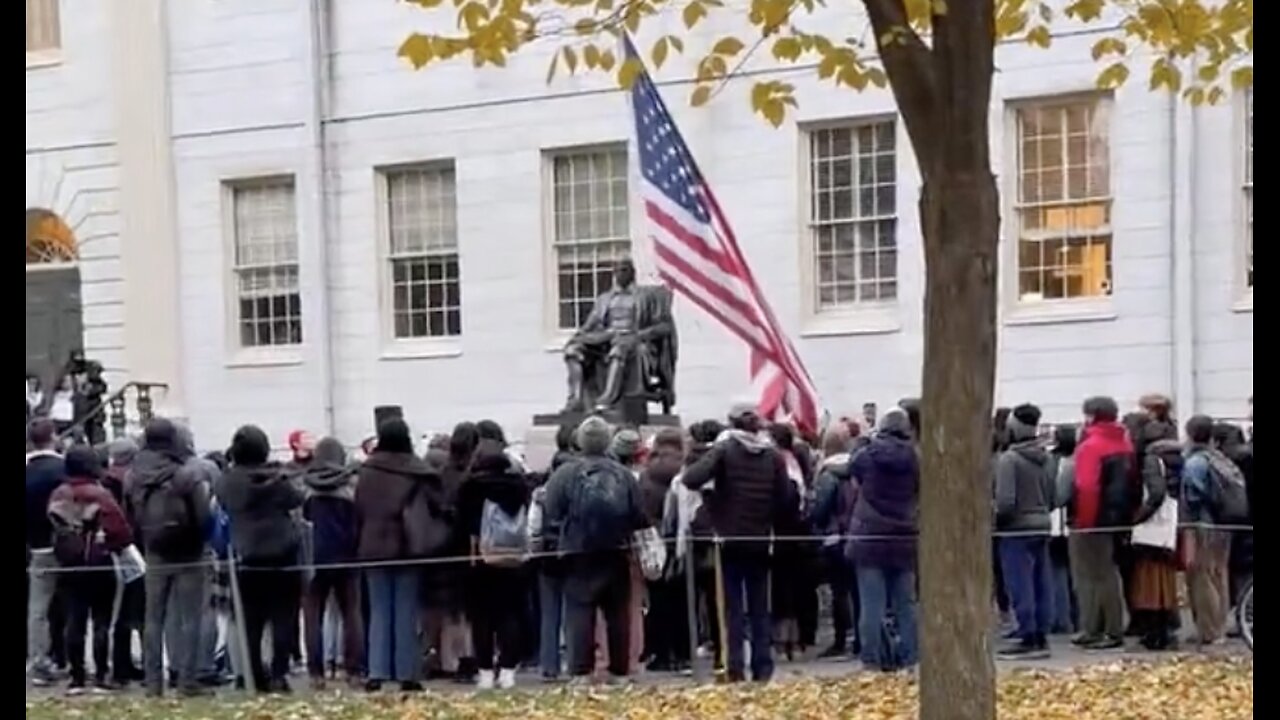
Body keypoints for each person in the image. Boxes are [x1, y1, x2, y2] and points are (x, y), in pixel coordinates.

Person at [682, 403, 792, 683]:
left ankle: (734, 668)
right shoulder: (773, 455)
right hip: (760, 538)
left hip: (728, 539)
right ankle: (762, 668)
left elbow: (691, 478)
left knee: (730, 608)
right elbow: (785, 499)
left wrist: (715, 500)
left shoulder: (724, 450)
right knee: (759, 607)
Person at [543, 416, 650, 683]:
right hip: (616, 550)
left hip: (577, 551)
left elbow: (552, 512)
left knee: (579, 612)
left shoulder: (565, 474)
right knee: (618, 615)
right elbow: (639, 516)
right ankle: (619, 670)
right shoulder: (623, 475)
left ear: (580, 442)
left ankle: (581, 670)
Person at [215, 425, 304, 694]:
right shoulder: (279, 479)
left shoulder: (228, 482)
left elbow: (222, 500)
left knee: (250, 621)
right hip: (283, 553)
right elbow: (296, 499)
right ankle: (279, 673)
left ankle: (254, 673)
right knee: (283, 618)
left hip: (247, 555)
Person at [126, 418, 212, 697]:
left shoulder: (133, 475)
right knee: (190, 618)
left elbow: (131, 516)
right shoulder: (186, 472)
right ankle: (187, 680)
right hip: (189, 551)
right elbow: (203, 516)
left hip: (154, 551)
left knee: (153, 618)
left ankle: (153, 683)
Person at [47, 445, 134, 693]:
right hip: (99, 562)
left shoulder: (59, 494)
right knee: (102, 621)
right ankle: (101, 674)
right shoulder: (101, 494)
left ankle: (76, 675)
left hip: (68, 564)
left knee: (74, 619)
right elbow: (121, 531)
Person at [354, 419, 429, 691]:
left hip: (372, 545)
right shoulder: (416, 469)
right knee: (406, 610)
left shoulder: (368, 471)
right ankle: (407, 673)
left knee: (379, 610)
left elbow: (359, 507)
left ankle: (377, 670)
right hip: (408, 544)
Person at [846, 408, 920, 672]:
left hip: (870, 536)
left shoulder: (867, 455)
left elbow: (850, 468)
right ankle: (912, 660)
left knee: (871, 606)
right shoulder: (916, 458)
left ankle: (871, 661)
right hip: (904, 535)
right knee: (906, 605)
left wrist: (865, 438)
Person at [457, 428, 532, 689]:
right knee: (510, 614)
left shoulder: (469, 487)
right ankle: (509, 670)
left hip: (478, 559)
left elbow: (461, 525)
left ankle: (486, 671)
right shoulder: (519, 486)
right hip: (513, 557)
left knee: (481, 618)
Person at [1068, 396, 1132, 651]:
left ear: (1092, 415)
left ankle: (1097, 628)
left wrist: (1083, 521)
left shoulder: (1090, 446)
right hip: (1117, 518)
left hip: (1092, 520)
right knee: (1108, 573)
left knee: (1089, 576)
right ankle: (1109, 627)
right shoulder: (1124, 443)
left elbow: (1087, 487)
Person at [300, 437, 364, 689]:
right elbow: (358, 521)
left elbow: (302, 520)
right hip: (347, 556)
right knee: (351, 614)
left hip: (314, 558)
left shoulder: (306, 486)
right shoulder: (351, 486)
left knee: (313, 615)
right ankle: (354, 670)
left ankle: (316, 672)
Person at [993, 404, 1055, 659]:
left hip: (1015, 529)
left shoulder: (1010, 459)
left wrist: (992, 514)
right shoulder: (1046, 457)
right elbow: (1054, 495)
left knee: (1020, 584)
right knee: (1041, 582)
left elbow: (1006, 502)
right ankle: (1040, 633)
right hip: (1042, 524)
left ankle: (1027, 635)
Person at [1125, 412, 1182, 651]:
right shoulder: (1176, 456)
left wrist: (1137, 517)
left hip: (1153, 525)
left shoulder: (1151, 458)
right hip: (1170, 522)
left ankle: (1154, 632)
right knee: (1164, 578)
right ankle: (1166, 627)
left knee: (1148, 577)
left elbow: (1155, 494)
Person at [809, 423, 860, 659]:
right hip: (857, 532)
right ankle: (860, 638)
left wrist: (815, 525)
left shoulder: (828, 473)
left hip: (833, 537)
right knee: (858, 590)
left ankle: (841, 639)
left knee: (839, 590)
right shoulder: (858, 468)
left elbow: (820, 509)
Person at [1182, 414, 1234, 646]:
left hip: (1202, 524)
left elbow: (1193, 496)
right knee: (1219, 575)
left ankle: (1208, 630)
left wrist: (1189, 526)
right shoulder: (1221, 459)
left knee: (1201, 577)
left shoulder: (1195, 462)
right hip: (1225, 523)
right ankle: (1220, 626)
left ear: (1191, 435)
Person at [638, 428, 687, 672]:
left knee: (657, 602)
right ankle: (683, 652)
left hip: (654, 543)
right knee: (682, 601)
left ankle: (659, 652)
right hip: (679, 543)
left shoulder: (646, 476)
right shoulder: (685, 473)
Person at [532, 424, 576, 682]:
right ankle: (573, 662)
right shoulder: (577, 486)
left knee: (549, 613)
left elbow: (534, 525)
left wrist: (534, 549)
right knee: (573, 611)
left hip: (547, 554)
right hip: (571, 551)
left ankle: (548, 664)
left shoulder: (541, 491)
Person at [26, 418, 65, 686]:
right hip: (69, 545)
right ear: (53, 437)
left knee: (38, 608)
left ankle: (39, 658)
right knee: (74, 605)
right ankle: (67, 657)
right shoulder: (63, 468)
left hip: (36, 544)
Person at [1047, 425, 1079, 635]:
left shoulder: (1052, 462)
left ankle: (1061, 618)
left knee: (1057, 572)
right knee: (1073, 573)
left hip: (1055, 523)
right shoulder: (1078, 461)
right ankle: (1078, 617)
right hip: (1074, 523)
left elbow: (1055, 494)